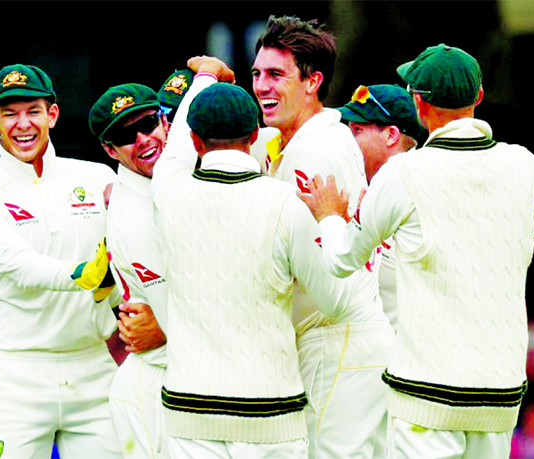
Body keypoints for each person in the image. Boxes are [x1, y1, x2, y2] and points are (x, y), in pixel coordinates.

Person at [300, 43, 534, 459]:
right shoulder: (522, 164)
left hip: (426, 392)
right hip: (498, 389)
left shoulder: (403, 173)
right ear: (478, 97)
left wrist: (329, 216)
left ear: (418, 101)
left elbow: (341, 260)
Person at [151, 76, 375, 458]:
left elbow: (172, 150)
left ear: (195, 141)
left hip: (190, 411)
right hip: (268, 414)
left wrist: (203, 75)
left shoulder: (167, 189)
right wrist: (331, 219)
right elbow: (335, 302)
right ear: (255, 134)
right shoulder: (286, 202)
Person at [0, 64, 123, 459]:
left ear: (53, 114)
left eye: (32, 110)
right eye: (10, 114)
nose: (22, 124)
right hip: (16, 376)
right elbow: (19, 265)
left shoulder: (98, 179)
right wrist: (83, 275)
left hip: (93, 368)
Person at [250, 15, 395, 459]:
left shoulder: (312, 150)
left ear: (313, 81)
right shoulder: (308, 140)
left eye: (277, 74)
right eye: (257, 74)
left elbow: (326, 281)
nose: (261, 86)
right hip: (346, 340)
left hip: (338, 339)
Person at [88, 58, 231, 459]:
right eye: (125, 135)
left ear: (165, 122)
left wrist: (209, 77)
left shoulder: (173, 171)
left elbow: (188, 131)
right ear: (109, 149)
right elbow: (179, 319)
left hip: (184, 374)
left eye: (147, 124)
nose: (144, 139)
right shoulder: (135, 216)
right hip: (158, 384)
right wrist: (164, 330)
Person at [337, 83, 425, 332]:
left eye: (357, 131)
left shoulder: (418, 190)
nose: (347, 140)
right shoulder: (371, 189)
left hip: (410, 358)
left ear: (390, 135)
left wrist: (329, 218)